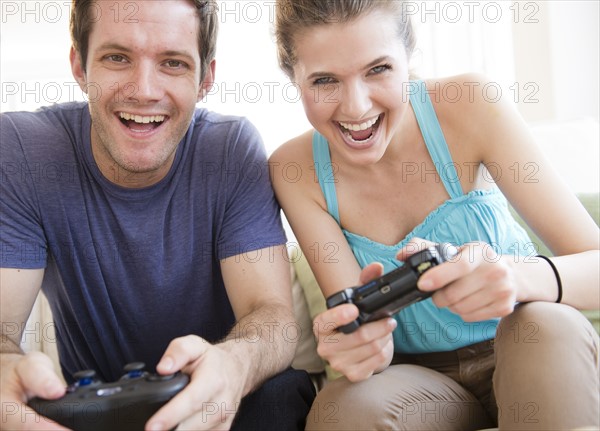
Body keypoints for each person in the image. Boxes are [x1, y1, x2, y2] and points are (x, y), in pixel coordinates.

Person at [270, 0, 600, 430]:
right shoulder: (295, 171)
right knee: (345, 409)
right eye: (325, 80)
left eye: (379, 69)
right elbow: (366, 336)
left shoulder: (471, 103)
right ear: (293, 78)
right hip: (423, 385)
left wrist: (515, 277)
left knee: (545, 324)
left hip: (531, 347)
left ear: (409, 56)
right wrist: (360, 346)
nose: (355, 107)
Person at [0, 1, 316, 430]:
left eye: (172, 62)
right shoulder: (22, 152)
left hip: (223, 408)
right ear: (79, 65)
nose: (144, 90)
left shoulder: (230, 150)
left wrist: (234, 363)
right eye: (117, 58)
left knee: (280, 396)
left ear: (205, 78)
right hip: (98, 410)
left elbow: (272, 316)